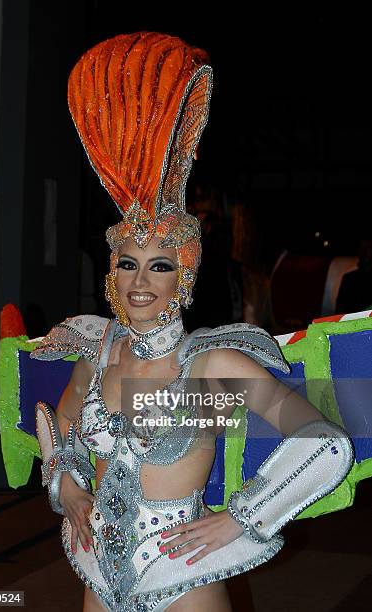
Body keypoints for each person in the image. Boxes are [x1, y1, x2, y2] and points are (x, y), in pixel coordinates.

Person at [31, 33, 353, 611]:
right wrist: (71, 488)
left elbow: (324, 445)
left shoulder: (210, 366)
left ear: (182, 275)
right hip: (97, 575)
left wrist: (240, 518)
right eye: (128, 264)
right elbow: (59, 428)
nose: (140, 282)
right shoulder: (98, 351)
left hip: (183, 580)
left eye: (158, 266)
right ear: (112, 270)